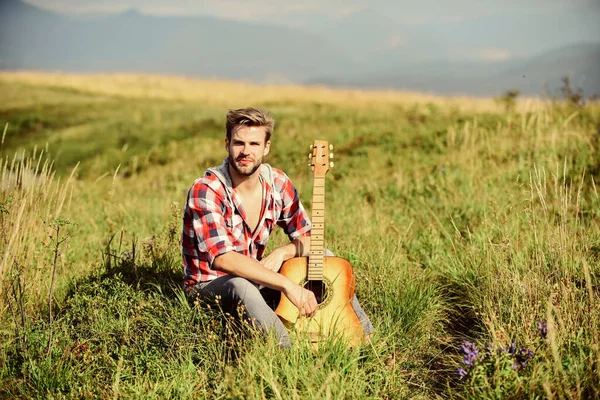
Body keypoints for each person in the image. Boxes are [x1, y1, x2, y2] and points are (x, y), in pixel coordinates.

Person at [181, 107, 373, 348]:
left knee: (325, 258)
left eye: (254, 144)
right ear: (227, 144)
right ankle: (287, 353)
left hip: (257, 279)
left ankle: (367, 339)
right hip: (211, 285)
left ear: (266, 147)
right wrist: (285, 284)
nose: (245, 151)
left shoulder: (278, 184)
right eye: (239, 143)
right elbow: (223, 260)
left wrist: (283, 252)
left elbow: (312, 238)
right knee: (239, 285)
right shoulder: (207, 190)